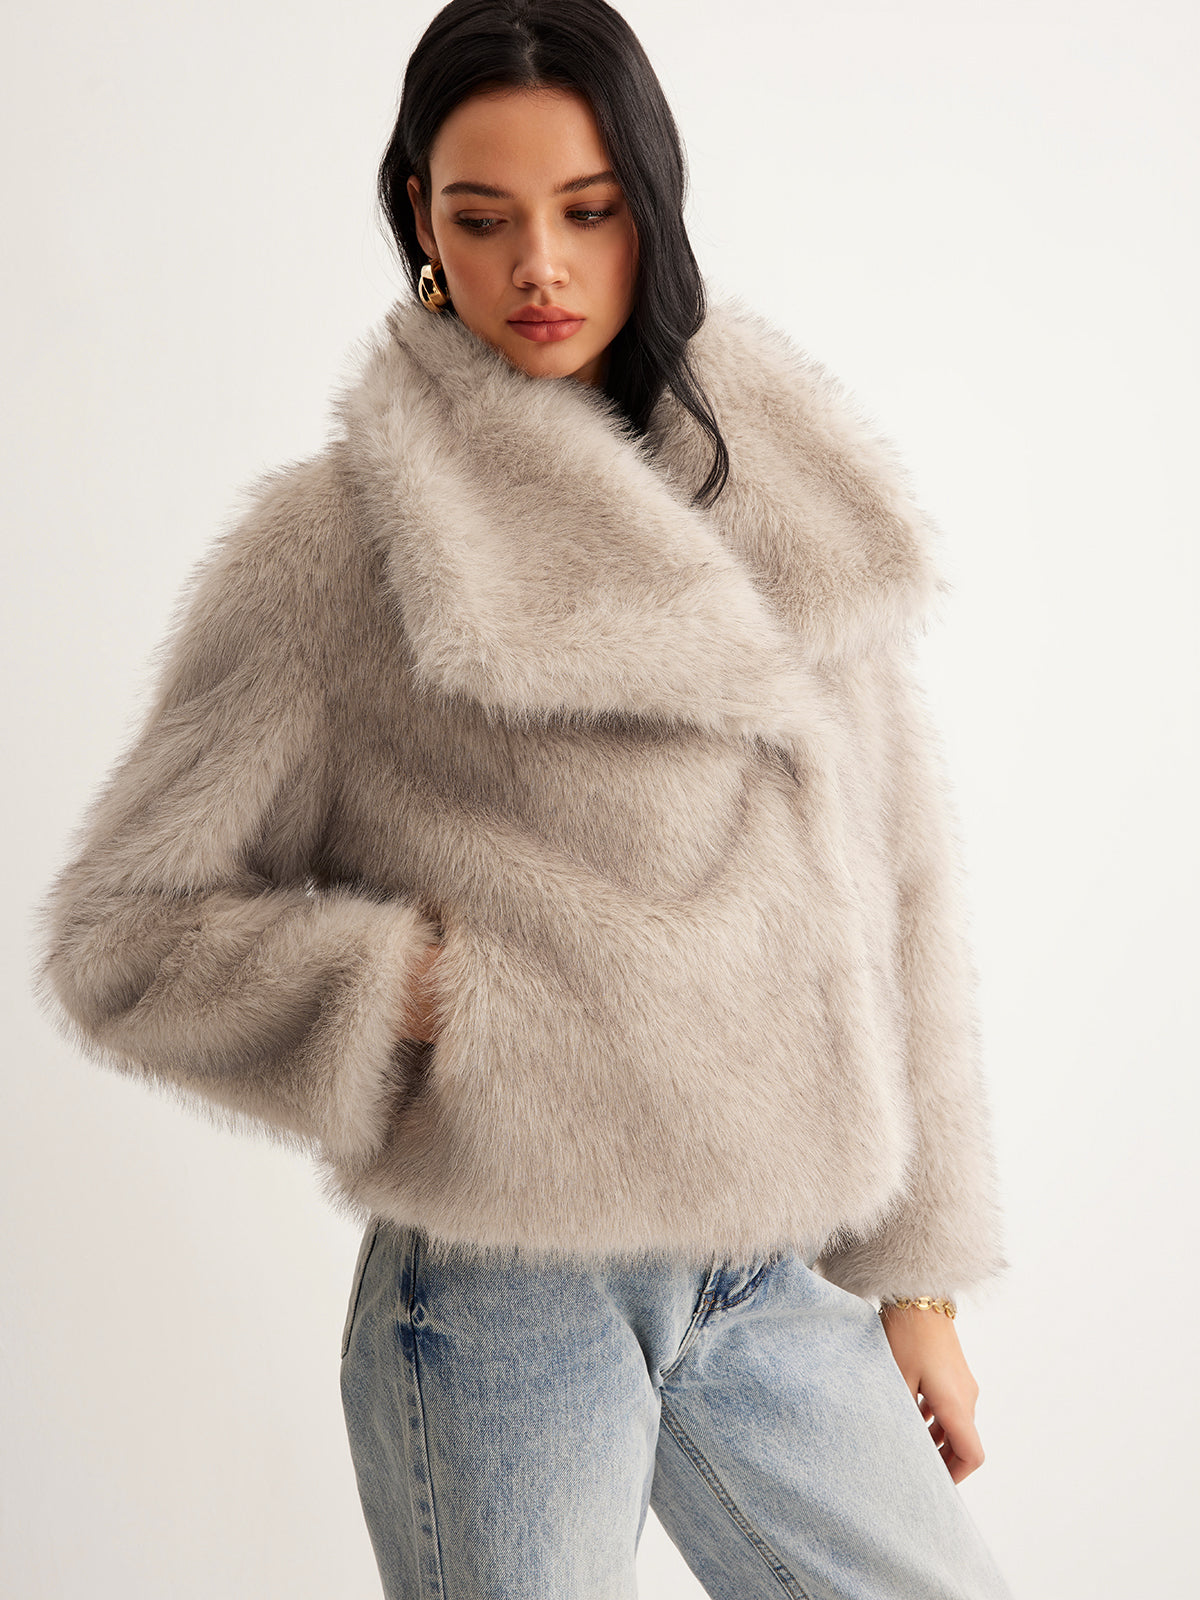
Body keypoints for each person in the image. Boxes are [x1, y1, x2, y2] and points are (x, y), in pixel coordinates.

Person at [31, 2, 1017, 1596]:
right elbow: (121, 935)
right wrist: (410, 992)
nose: (537, 267)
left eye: (587, 209)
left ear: (653, 205)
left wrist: (918, 1286)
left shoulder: (791, 500)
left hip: (764, 1272)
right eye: (481, 219)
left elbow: (902, 882)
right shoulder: (337, 551)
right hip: (503, 1294)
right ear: (421, 223)